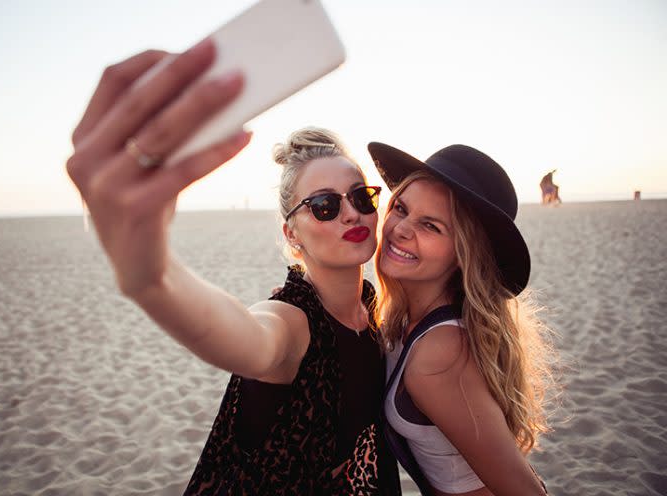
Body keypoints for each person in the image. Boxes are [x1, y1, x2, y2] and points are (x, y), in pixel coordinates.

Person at [66, 42, 399, 494]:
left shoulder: (370, 305)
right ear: (292, 234)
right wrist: (151, 276)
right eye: (323, 205)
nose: (351, 214)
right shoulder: (292, 321)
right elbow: (248, 337)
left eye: (361, 196)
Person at [368, 142, 555, 496]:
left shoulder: (439, 353)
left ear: (463, 253)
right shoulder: (408, 320)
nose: (401, 229)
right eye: (401, 209)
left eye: (430, 226)